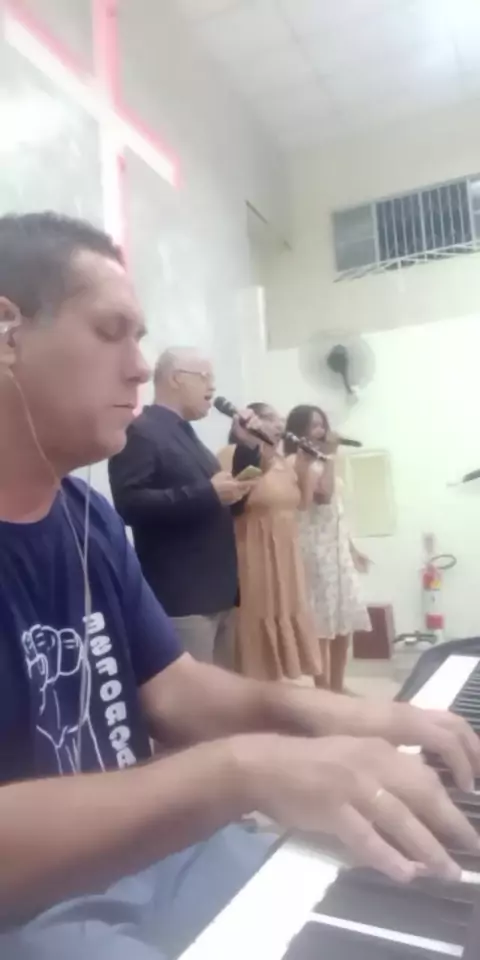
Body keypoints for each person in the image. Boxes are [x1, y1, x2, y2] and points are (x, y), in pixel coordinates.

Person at [0, 212, 479, 960]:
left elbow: (179, 691)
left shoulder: (85, 517)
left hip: (154, 853)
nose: (139, 367)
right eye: (111, 332)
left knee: (407, 887)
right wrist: (238, 769)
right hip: (31, 909)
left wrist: (348, 718)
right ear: (7, 334)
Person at [109, 346, 253, 667]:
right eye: (205, 377)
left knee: (221, 690)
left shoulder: (185, 434)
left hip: (218, 591)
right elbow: (130, 504)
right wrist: (207, 493)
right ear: (176, 379)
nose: (213, 387)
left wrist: (247, 447)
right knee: (196, 694)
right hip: (183, 596)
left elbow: (222, 500)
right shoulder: (141, 430)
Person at [226, 403, 323, 682]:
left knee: (288, 611)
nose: (279, 424)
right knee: (258, 613)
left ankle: (280, 682)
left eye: (280, 419)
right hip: (254, 549)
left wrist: (304, 464)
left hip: (286, 551)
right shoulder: (233, 454)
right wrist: (260, 457)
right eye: (270, 418)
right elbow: (235, 499)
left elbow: (302, 504)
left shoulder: (283, 462)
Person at [285, 404, 372, 693]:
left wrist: (353, 549)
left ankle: (337, 684)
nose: (321, 431)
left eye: (323, 424)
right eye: (314, 425)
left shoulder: (322, 460)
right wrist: (331, 457)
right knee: (322, 622)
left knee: (344, 620)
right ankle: (322, 687)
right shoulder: (297, 462)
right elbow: (323, 497)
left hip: (337, 550)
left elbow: (337, 511)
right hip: (315, 550)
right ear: (299, 431)